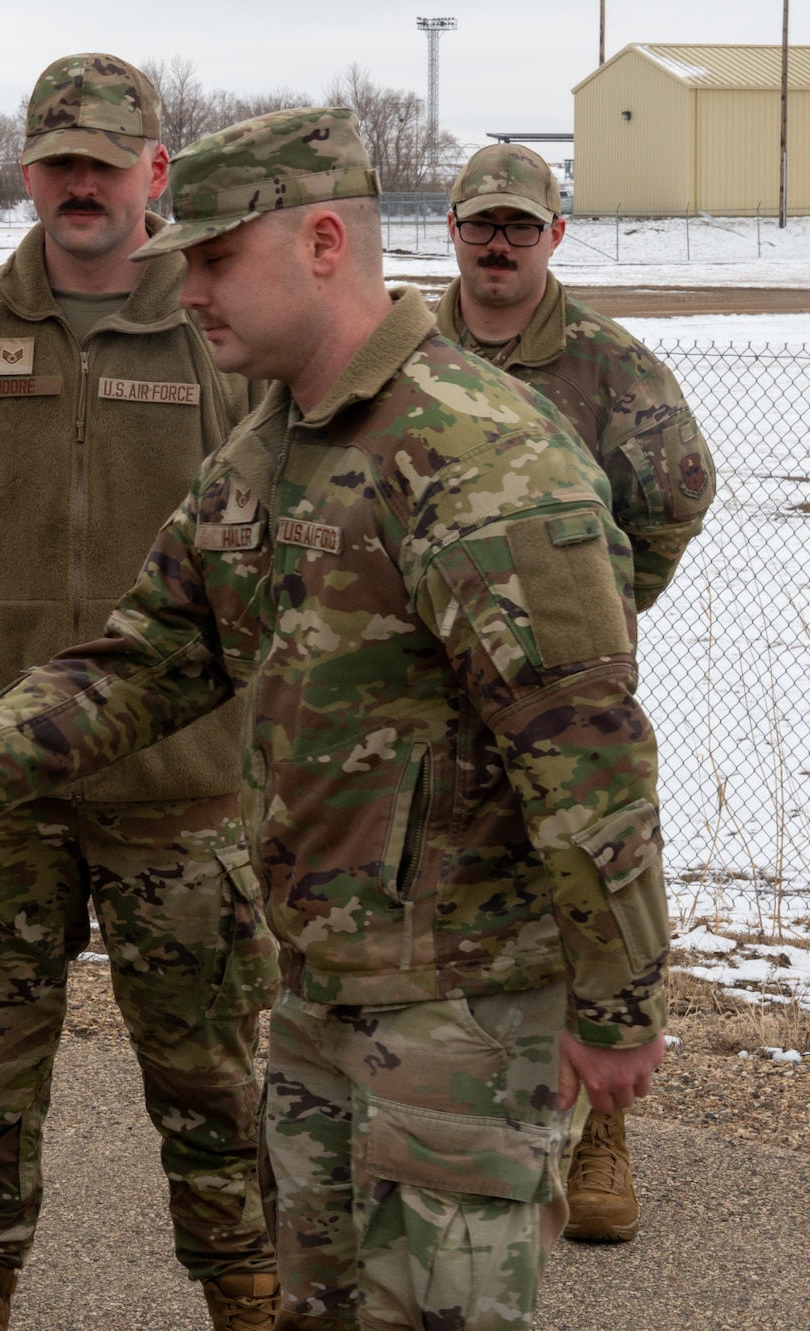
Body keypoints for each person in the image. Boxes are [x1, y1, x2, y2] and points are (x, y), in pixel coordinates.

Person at [0, 107, 672, 1331]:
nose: (188, 291)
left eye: (215, 260)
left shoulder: (478, 456)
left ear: (323, 242)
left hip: (460, 1012)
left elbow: (583, 754)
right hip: (316, 995)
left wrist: (620, 996)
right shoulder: (270, 447)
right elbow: (156, 648)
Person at [0, 52, 276, 1331]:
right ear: (26, 170)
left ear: (156, 171)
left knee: (210, 1082)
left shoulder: (224, 343)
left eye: (105, 161)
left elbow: (274, 543)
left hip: (184, 791)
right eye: (58, 163)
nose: (79, 184)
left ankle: (250, 1296)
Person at [435, 142, 712, 1247]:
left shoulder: (613, 368)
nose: (496, 244)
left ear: (554, 236)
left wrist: (596, 604)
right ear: (450, 230)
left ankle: (602, 1124)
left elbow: (675, 497)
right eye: (478, 224)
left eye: (518, 226)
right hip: (425, 679)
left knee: (582, 876)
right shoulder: (400, 348)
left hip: (562, 690)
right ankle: (446, 1109)